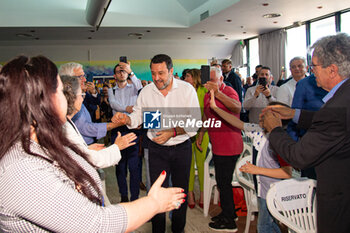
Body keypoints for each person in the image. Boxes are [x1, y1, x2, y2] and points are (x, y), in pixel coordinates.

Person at [0, 55, 186, 233]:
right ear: (41, 102)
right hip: (155, 148)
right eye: (59, 89)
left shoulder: (44, 140)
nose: (68, 94)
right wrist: (153, 203)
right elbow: (98, 224)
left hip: (180, 148)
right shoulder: (22, 170)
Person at [260, 33, 350, 233]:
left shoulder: (338, 104)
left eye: (314, 66)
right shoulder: (344, 98)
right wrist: (293, 113)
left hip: (340, 201)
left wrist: (274, 128)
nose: (311, 71)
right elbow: (336, 123)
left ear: (332, 70)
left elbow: (299, 157)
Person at [112, 54, 201, 233]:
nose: (156, 78)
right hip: (156, 150)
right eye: (153, 73)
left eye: (161, 73)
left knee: (180, 192)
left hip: (181, 148)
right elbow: (138, 117)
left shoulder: (186, 90)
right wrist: (126, 118)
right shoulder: (147, 92)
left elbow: (195, 122)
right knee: (156, 193)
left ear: (171, 71)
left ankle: (178, 229)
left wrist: (173, 132)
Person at [208, 89, 292, 233]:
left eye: (265, 114)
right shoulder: (258, 131)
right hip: (262, 190)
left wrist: (256, 170)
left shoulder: (281, 141)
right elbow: (236, 122)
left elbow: (287, 173)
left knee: (264, 226)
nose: (260, 115)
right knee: (269, 224)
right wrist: (215, 108)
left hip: (274, 192)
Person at [197, 66, 242, 232]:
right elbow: (206, 115)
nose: (210, 83)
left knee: (224, 183)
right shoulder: (207, 95)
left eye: (213, 80)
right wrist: (201, 134)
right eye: (208, 80)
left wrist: (219, 93)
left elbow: (237, 107)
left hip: (229, 146)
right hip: (217, 146)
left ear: (221, 79)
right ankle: (230, 212)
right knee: (223, 182)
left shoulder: (228, 91)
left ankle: (229, 221)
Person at [61, 75, 136, 169]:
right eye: (81, 95)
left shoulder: (67, 122)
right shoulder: (65, 127)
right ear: (71, 96)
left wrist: (86, 150)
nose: (82, 99)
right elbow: (92, 160)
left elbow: (77, 155)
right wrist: (117, 147)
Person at [59, 62, 119, 145]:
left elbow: (95, 102)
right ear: (69, 80)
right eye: (81, 77)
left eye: (84, 76)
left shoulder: (82, 94)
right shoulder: (68, 102)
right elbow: (85, 127)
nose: (85, 80)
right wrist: (115, 124)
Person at [108, 61, 143, 202]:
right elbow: (113, 104)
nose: (121, 73)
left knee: (134, 167)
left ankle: (135, 198)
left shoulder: (134, 88)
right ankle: (124, 196)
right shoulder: (112, 90)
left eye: (124, 71)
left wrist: (131, 72)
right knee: (120, 167)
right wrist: (128, 108)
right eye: (118, 71)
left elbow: (141, 88)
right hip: (117, 130)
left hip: (133, 129)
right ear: (115, 75)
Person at [184, 68, 209, 209]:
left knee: (201, 164)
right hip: (187, 132)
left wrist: (201, 132)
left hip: (203, 132)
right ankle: (190, 193)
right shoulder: (184, 92)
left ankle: (203, 193)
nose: (185, 78)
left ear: (194, 77)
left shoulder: (204, 91)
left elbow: (207, 113)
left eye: (187, 76)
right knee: (188, 164)